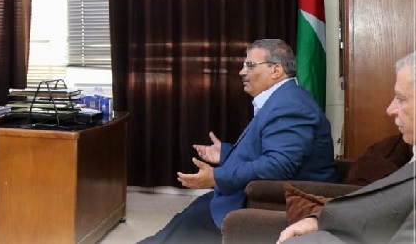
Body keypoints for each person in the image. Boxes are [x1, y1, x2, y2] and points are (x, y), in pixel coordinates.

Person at [139, 39, 337, 244]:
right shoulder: (284, 98)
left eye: (250, 65)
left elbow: (278, 165)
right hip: (257, 193)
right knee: (185, 218)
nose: (242, 72)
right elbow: (270, 151)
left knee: (189, 223)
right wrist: (225, 153)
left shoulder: (290, 105)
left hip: (278, 200)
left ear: (276, 70)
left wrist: (217, 177)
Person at [277, 52, 416, 244]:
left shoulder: (293, 104)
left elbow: (279, 164)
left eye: (401, 99)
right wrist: (318, 220)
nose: (390, 109)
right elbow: (388, 203)